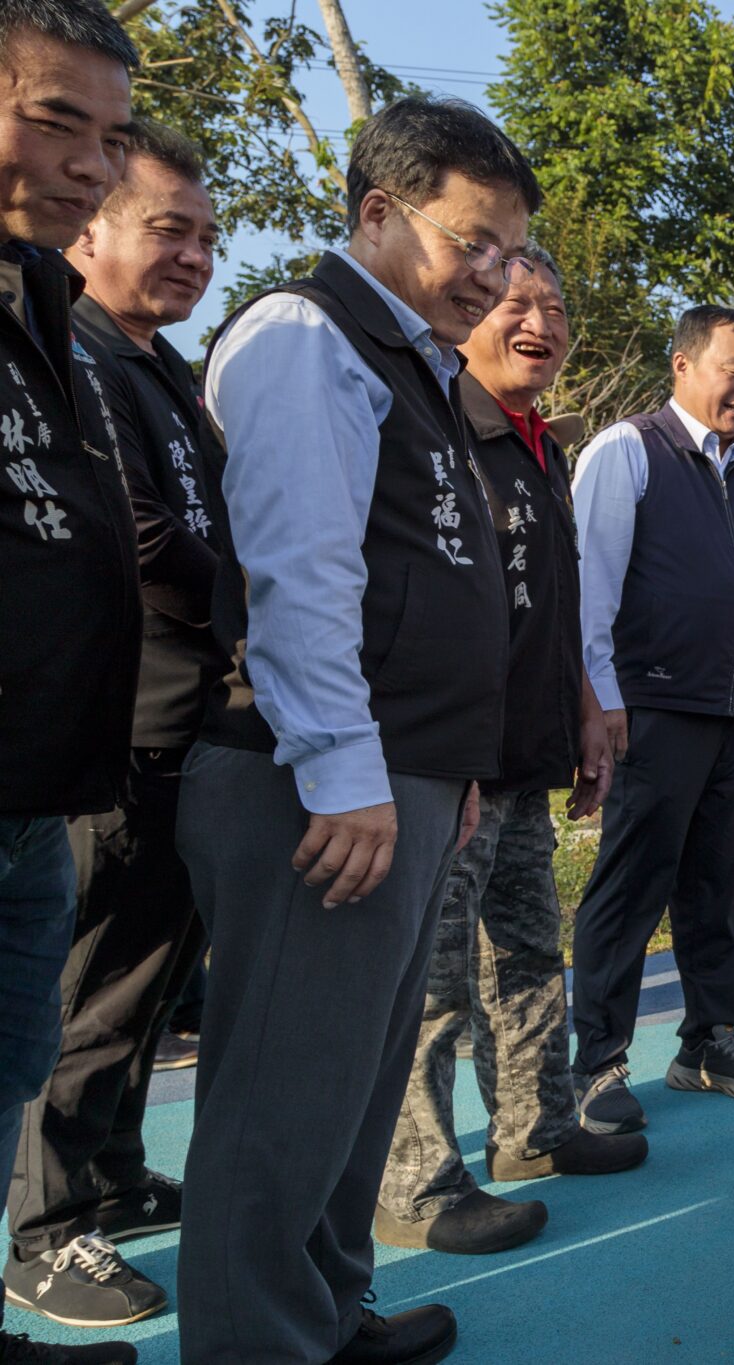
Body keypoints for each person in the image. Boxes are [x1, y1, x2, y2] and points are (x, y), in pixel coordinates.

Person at [177, 96, 539, 1365]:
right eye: (472, 243)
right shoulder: (301, 337)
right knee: (280, 1107)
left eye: (509, 254)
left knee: (352, 1091)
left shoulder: (420, 368)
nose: (493, 279)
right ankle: (259, 1345)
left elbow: (424, 584)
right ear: (378, 213)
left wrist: (456, 769)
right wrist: (346, 775)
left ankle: (329, 1315)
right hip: (319, 787)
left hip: (406, 780)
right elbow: (302, 573)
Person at [374, 245, 644, 1259]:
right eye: (515, 304)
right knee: (432, 984)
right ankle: (416, 1181)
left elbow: (560, 605)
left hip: (525, 756)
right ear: (472, 309)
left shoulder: (541, 445)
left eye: (555, 308)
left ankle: (536, 1128)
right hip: (449, 764)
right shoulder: (438, 430)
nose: (539, 324)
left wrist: (585, 713)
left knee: (528, 953)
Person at [6, 119, 221, 1335]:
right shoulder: (73, 353)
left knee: (151, 976)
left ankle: (113, 1169)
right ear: (90, 233)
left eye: (205, 236)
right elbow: (139, 542)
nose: (190, 257)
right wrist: (259, 598)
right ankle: (48, 1231)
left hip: (189, 721)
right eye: (166, 230)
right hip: (122, 724)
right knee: (89, 983)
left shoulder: (162, 368)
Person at [0, 3, 143, 1361]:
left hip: (39, 801)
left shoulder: (42, 301)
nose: (90, 163)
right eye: (55, 118)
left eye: (107, 135)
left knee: (7, 1084)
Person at [568, 304, 734, 1137]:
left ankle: (707, 1039)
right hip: (651, 706)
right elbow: (591, 584)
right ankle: (596, 1060)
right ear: (683, 366)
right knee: (631, 884)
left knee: (717, 883)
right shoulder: (629, 451)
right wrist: (603, 697)